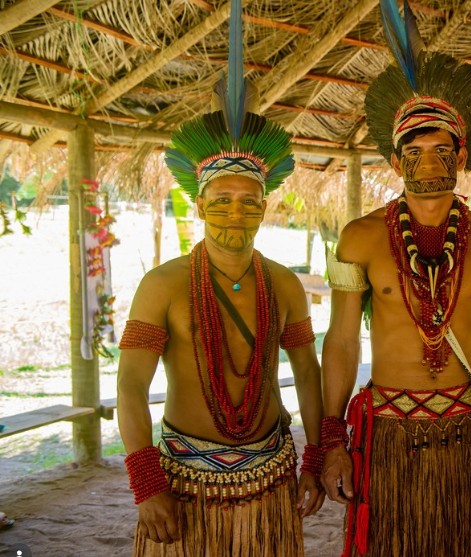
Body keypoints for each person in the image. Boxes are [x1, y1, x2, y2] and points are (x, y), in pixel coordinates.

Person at [318, 2, 471, 555]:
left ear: (461, 155)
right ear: (396, 162)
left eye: (442, 150)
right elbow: (343, 341)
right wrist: (331, 438)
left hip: (469, 434)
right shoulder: (360, 238)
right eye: (414, 152)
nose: (427, 163)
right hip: (388, 435)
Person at [116, 1, 323, 555]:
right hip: (184, 479)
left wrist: (316, 455)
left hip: (270, 474)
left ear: (264, 208)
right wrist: (146, 485)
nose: (236, 211)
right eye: (222, 199)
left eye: (248, 201)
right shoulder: (162, 285)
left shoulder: (284, 284)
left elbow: (307, 371)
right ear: (201, 204)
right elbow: (131, 385)